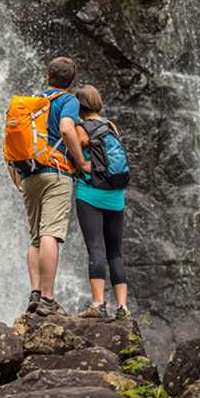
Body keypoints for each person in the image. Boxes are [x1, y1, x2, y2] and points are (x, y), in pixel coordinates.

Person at [9, 57, 88, 317]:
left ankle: (34, 292)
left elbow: (13, 140)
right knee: (50, 234)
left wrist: (17, 176)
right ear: (71, 81)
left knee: (34, 237)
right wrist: (81, 162)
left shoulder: (32, 103)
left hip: (29, 174)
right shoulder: (68, 101)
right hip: (57, 172)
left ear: (47, 76)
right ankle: (47, 298)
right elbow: (67, 129)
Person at [74, 84, 129, 320]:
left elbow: (75, 159)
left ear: (79, 106)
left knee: (96, 248)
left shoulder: (79, 129)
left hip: (90, 195)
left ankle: (98, 303)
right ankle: (123, 308)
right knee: (115, 252)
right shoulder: (111, 126)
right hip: (116, 196)